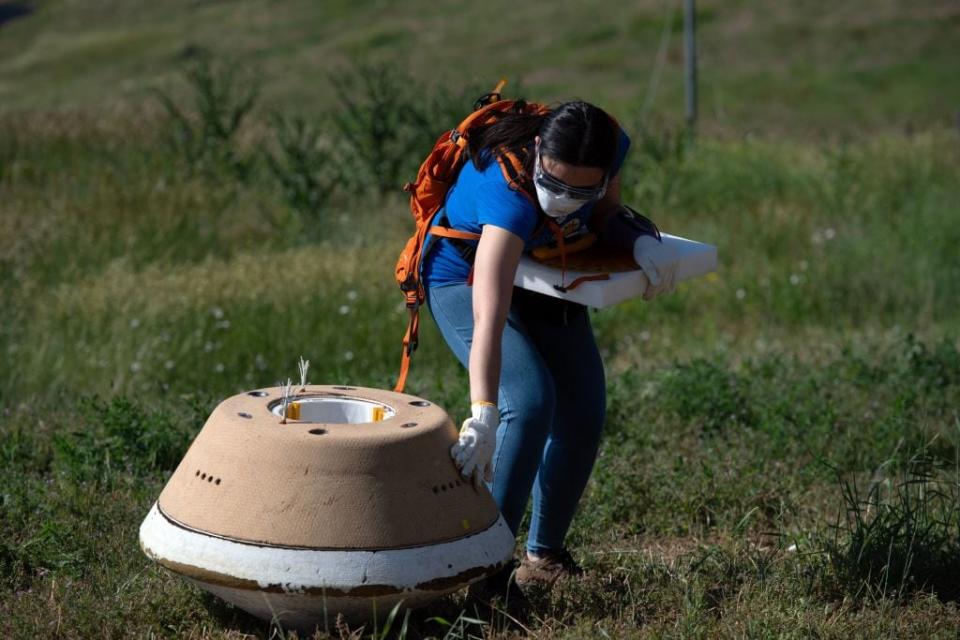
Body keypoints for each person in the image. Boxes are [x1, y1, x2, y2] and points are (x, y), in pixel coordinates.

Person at [420, 100, 678, 595]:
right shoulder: (511, 195)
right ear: (538, 149)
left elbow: (604, 216)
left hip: (541, 265)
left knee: (583, 406)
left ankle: (544, 557)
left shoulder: (611, 146)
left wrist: (639, 240)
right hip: (461, 275)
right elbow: (487, 318)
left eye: (581, 189)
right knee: (532, 401)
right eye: (554, 184)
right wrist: (485, 412)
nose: (564, 198)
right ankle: (485, 574)